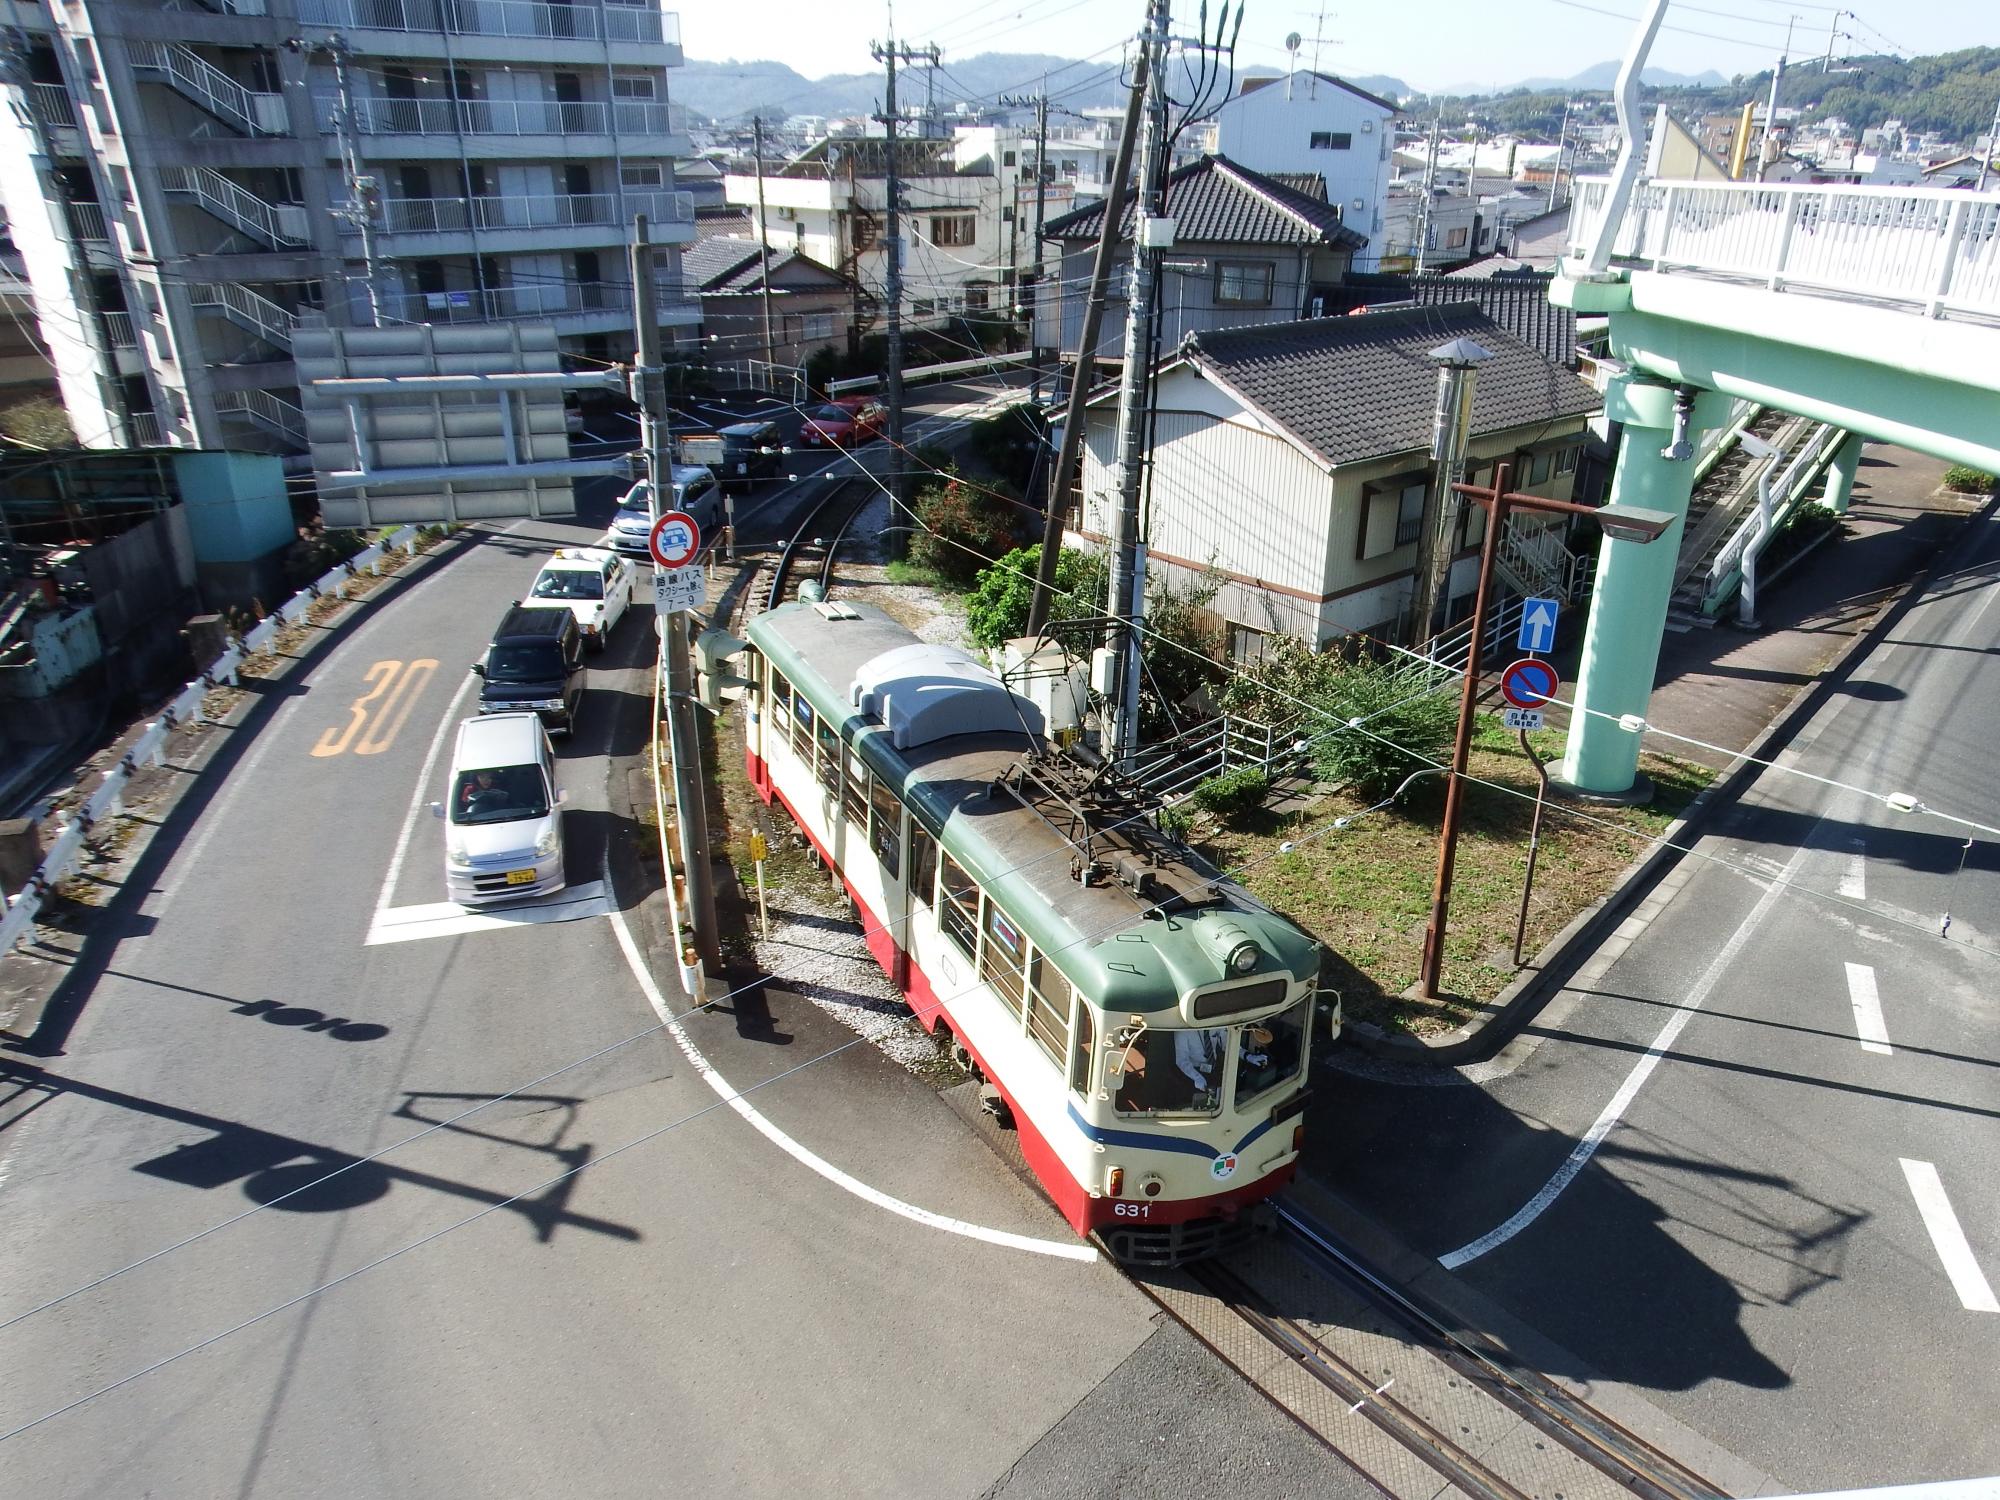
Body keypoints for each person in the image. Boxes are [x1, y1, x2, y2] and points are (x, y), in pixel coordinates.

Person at [1174, 1027, 1225, 1106]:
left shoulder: (1215, 1025)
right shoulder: (1182, 1031)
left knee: (1220, 1100)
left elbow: (1227, 1043)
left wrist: (1245, 1055)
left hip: (1214, 1067)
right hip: (1194, 1072)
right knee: (1200, 1103)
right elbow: (1182, 1060)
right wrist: (1197, 1078)